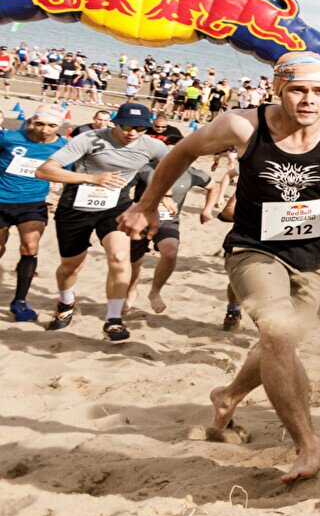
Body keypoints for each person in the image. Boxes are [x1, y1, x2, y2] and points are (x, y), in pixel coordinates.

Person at [117, 52, 320, 483]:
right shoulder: (243, 126)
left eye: (319, 92)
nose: (309, 100)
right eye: (298, 90)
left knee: (283, 343)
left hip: (313, 256)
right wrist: (147, 204)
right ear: (278, 89)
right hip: (253, 248)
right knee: (278, 332)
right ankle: (307, 443)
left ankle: (227, 395)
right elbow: (182, 152)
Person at [36, 102, 168, 341]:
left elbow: (173, 169)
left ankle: (114, 319)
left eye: (140, 128)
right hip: (75, 205)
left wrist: (157, 199)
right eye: (127, 125)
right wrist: (93, 179)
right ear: (115, 122)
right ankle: (66, 302)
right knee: (70, 266)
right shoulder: (90, 138)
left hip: (115, 207)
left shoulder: (154, 146)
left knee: (119, 257)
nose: (132, 133)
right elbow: (44, 171)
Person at [124, 159, 219, 315]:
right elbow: (123, 189)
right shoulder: (145, 170)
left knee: (170, 253)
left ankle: (154, 292)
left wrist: (207, 210)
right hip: (141, 222)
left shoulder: (191, 173)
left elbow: (214, 186)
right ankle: (131, 292)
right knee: (135, 262)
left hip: (168, 222)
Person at [0, 107, 67, 322]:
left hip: (32, 203)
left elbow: (72, 171)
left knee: (30, 247)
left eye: (51, 125)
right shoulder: (8, 137)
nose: (44, 129)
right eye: (39, 124)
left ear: (60, 126)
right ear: (31, 122)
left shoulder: (63, 147)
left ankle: (19, 301)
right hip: (1, 199)